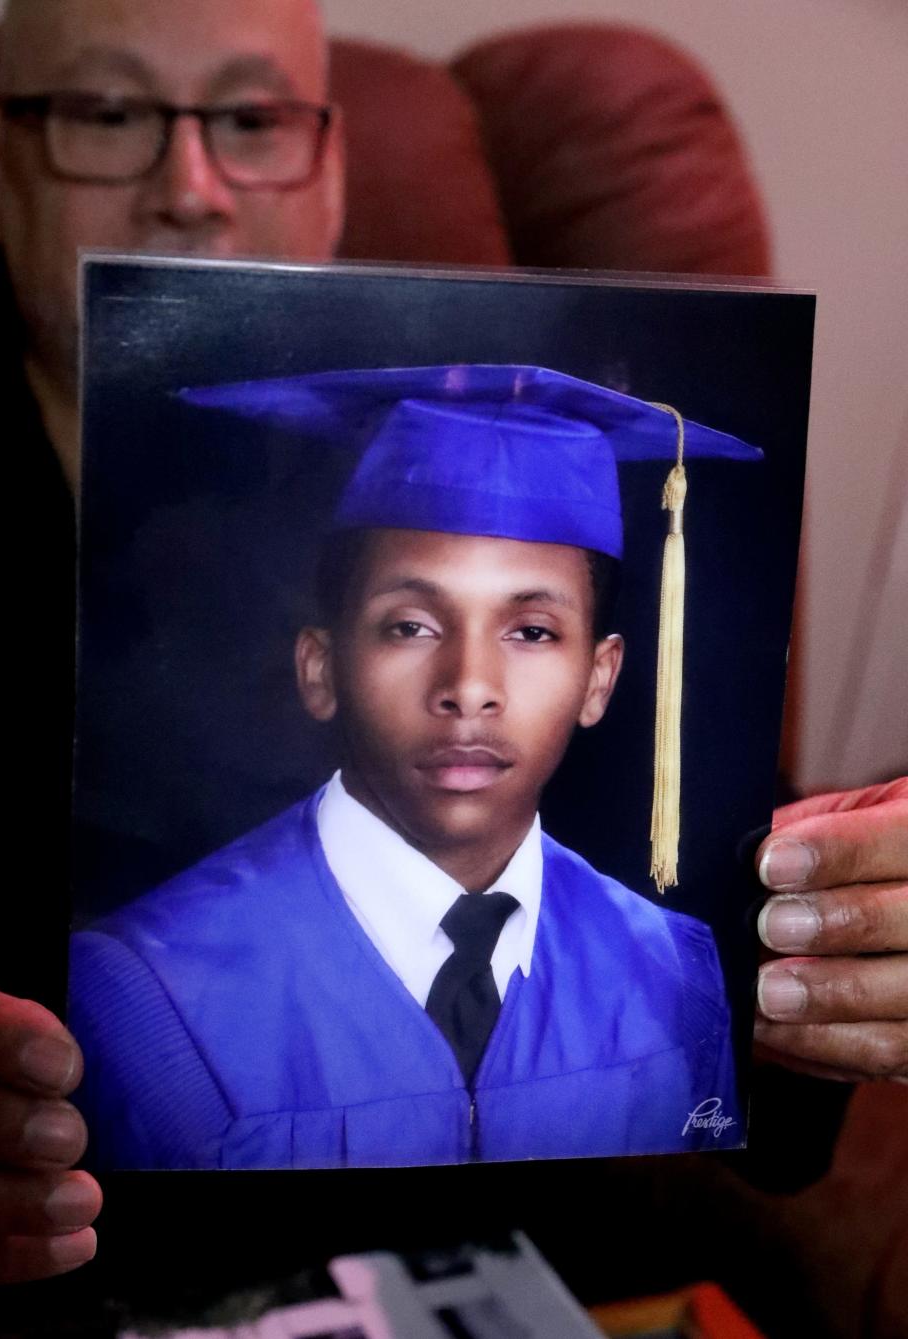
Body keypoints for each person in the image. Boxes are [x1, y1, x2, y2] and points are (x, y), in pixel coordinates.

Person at [0, 0, 906, 1295]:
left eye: (251, 119)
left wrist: (832, 952)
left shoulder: (650, 945)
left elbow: (749, 1106)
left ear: (333, 171)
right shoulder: (158, 964)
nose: (192, 189)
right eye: (108, 114)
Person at [70, 364, 761, 1170]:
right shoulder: (146, 996)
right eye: (409, 626)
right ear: (321, 668)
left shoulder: (674, 976)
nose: (469, 687)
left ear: (599, 679)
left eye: (532, 631)